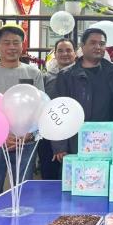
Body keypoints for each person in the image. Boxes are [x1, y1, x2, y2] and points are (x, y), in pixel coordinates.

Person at [0, 25, 44, 200]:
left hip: (25, 142)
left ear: (22, 46)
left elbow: (40, 107)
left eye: (16, 42)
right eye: (6, 43)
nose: (11, 47)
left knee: (23, 192)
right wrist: (2, 136)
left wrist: (28, 134)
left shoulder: (33, 73)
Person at [52, 28, 113, 161]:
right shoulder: (67, 75)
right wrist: (60, 146)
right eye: (93, 43)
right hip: (76, 139)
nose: (98, 47)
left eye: (102, 44)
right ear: (82, 46)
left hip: (108, 139)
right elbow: (58, 112)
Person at [39, 38, 76, 180]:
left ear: (75, 53)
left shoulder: (80, 76)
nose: (64, 54)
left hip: (74, 134)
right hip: (49, 134)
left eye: (68, 50)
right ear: (55, 54)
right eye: (60, 51)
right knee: (50, 177)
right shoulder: (45, 78)